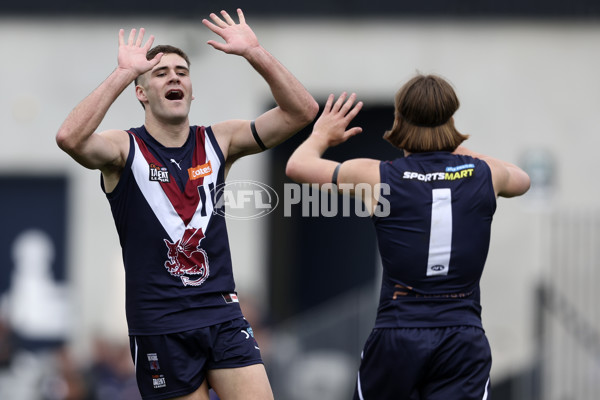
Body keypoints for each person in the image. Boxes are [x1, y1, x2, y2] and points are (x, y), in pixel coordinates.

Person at [56, 9, 318, 400]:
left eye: (182, 71)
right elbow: (70, 138)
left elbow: (302, 112)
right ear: (141, 93)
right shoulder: (123, 148)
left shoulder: (220, 139)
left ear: (192, 91)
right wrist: (123, 73)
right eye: (160, 73)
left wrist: (255, 52)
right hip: (160, 324)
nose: (174, 76)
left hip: (222, 314)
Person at [285, 75, 530, 399]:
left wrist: (322, 134)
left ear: (399, 120)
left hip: (398, 333)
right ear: (450, 119)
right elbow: (523, 180)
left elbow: (298, 166)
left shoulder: (377, 175)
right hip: (462, 336)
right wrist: (452, 144)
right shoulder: (486, 173)